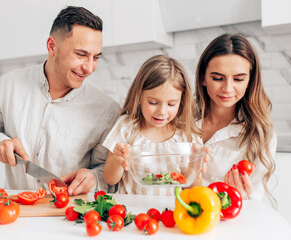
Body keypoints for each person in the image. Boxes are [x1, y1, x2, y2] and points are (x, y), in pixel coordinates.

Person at [0, 6, 120, 195]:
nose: (89, 67)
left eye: (96, 57)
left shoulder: (107, 110)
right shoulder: (10, 84)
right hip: (14, 212)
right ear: (51, 46)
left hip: (69, 215)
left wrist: (93, 179)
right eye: (81, 55)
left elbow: (107, 172)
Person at [194, 33, 277, 204]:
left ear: (250, 81)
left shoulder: (261, 133)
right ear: (203, 78)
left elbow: (254, 198)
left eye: (239, 79)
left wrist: (240, 196)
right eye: (217, 78)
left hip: (230, 221)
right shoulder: (179, 116)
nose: (228, 89)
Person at [102, 55, 201, 195]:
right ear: (139, 97)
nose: (162, 112)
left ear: (182, 101)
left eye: (171, 104)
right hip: (133, 212)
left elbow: (194, 189)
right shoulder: (126, 127)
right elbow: (110, 179)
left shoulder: (187, 135)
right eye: (153, 102)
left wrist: (193, 168)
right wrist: (118, 160)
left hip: (171, 212)